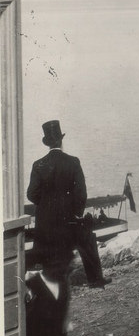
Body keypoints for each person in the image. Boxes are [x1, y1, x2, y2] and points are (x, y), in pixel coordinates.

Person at [26, 120, 110, 288]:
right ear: (60, 141)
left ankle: (46, 282)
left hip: (45, 226)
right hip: (68, 223)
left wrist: (46, 206)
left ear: (48, 143)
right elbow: (81, 194)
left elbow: (31, 194)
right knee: (88, 237)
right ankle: (95, 279)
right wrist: (77, 213)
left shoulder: (38, 165)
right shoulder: (73, 162)